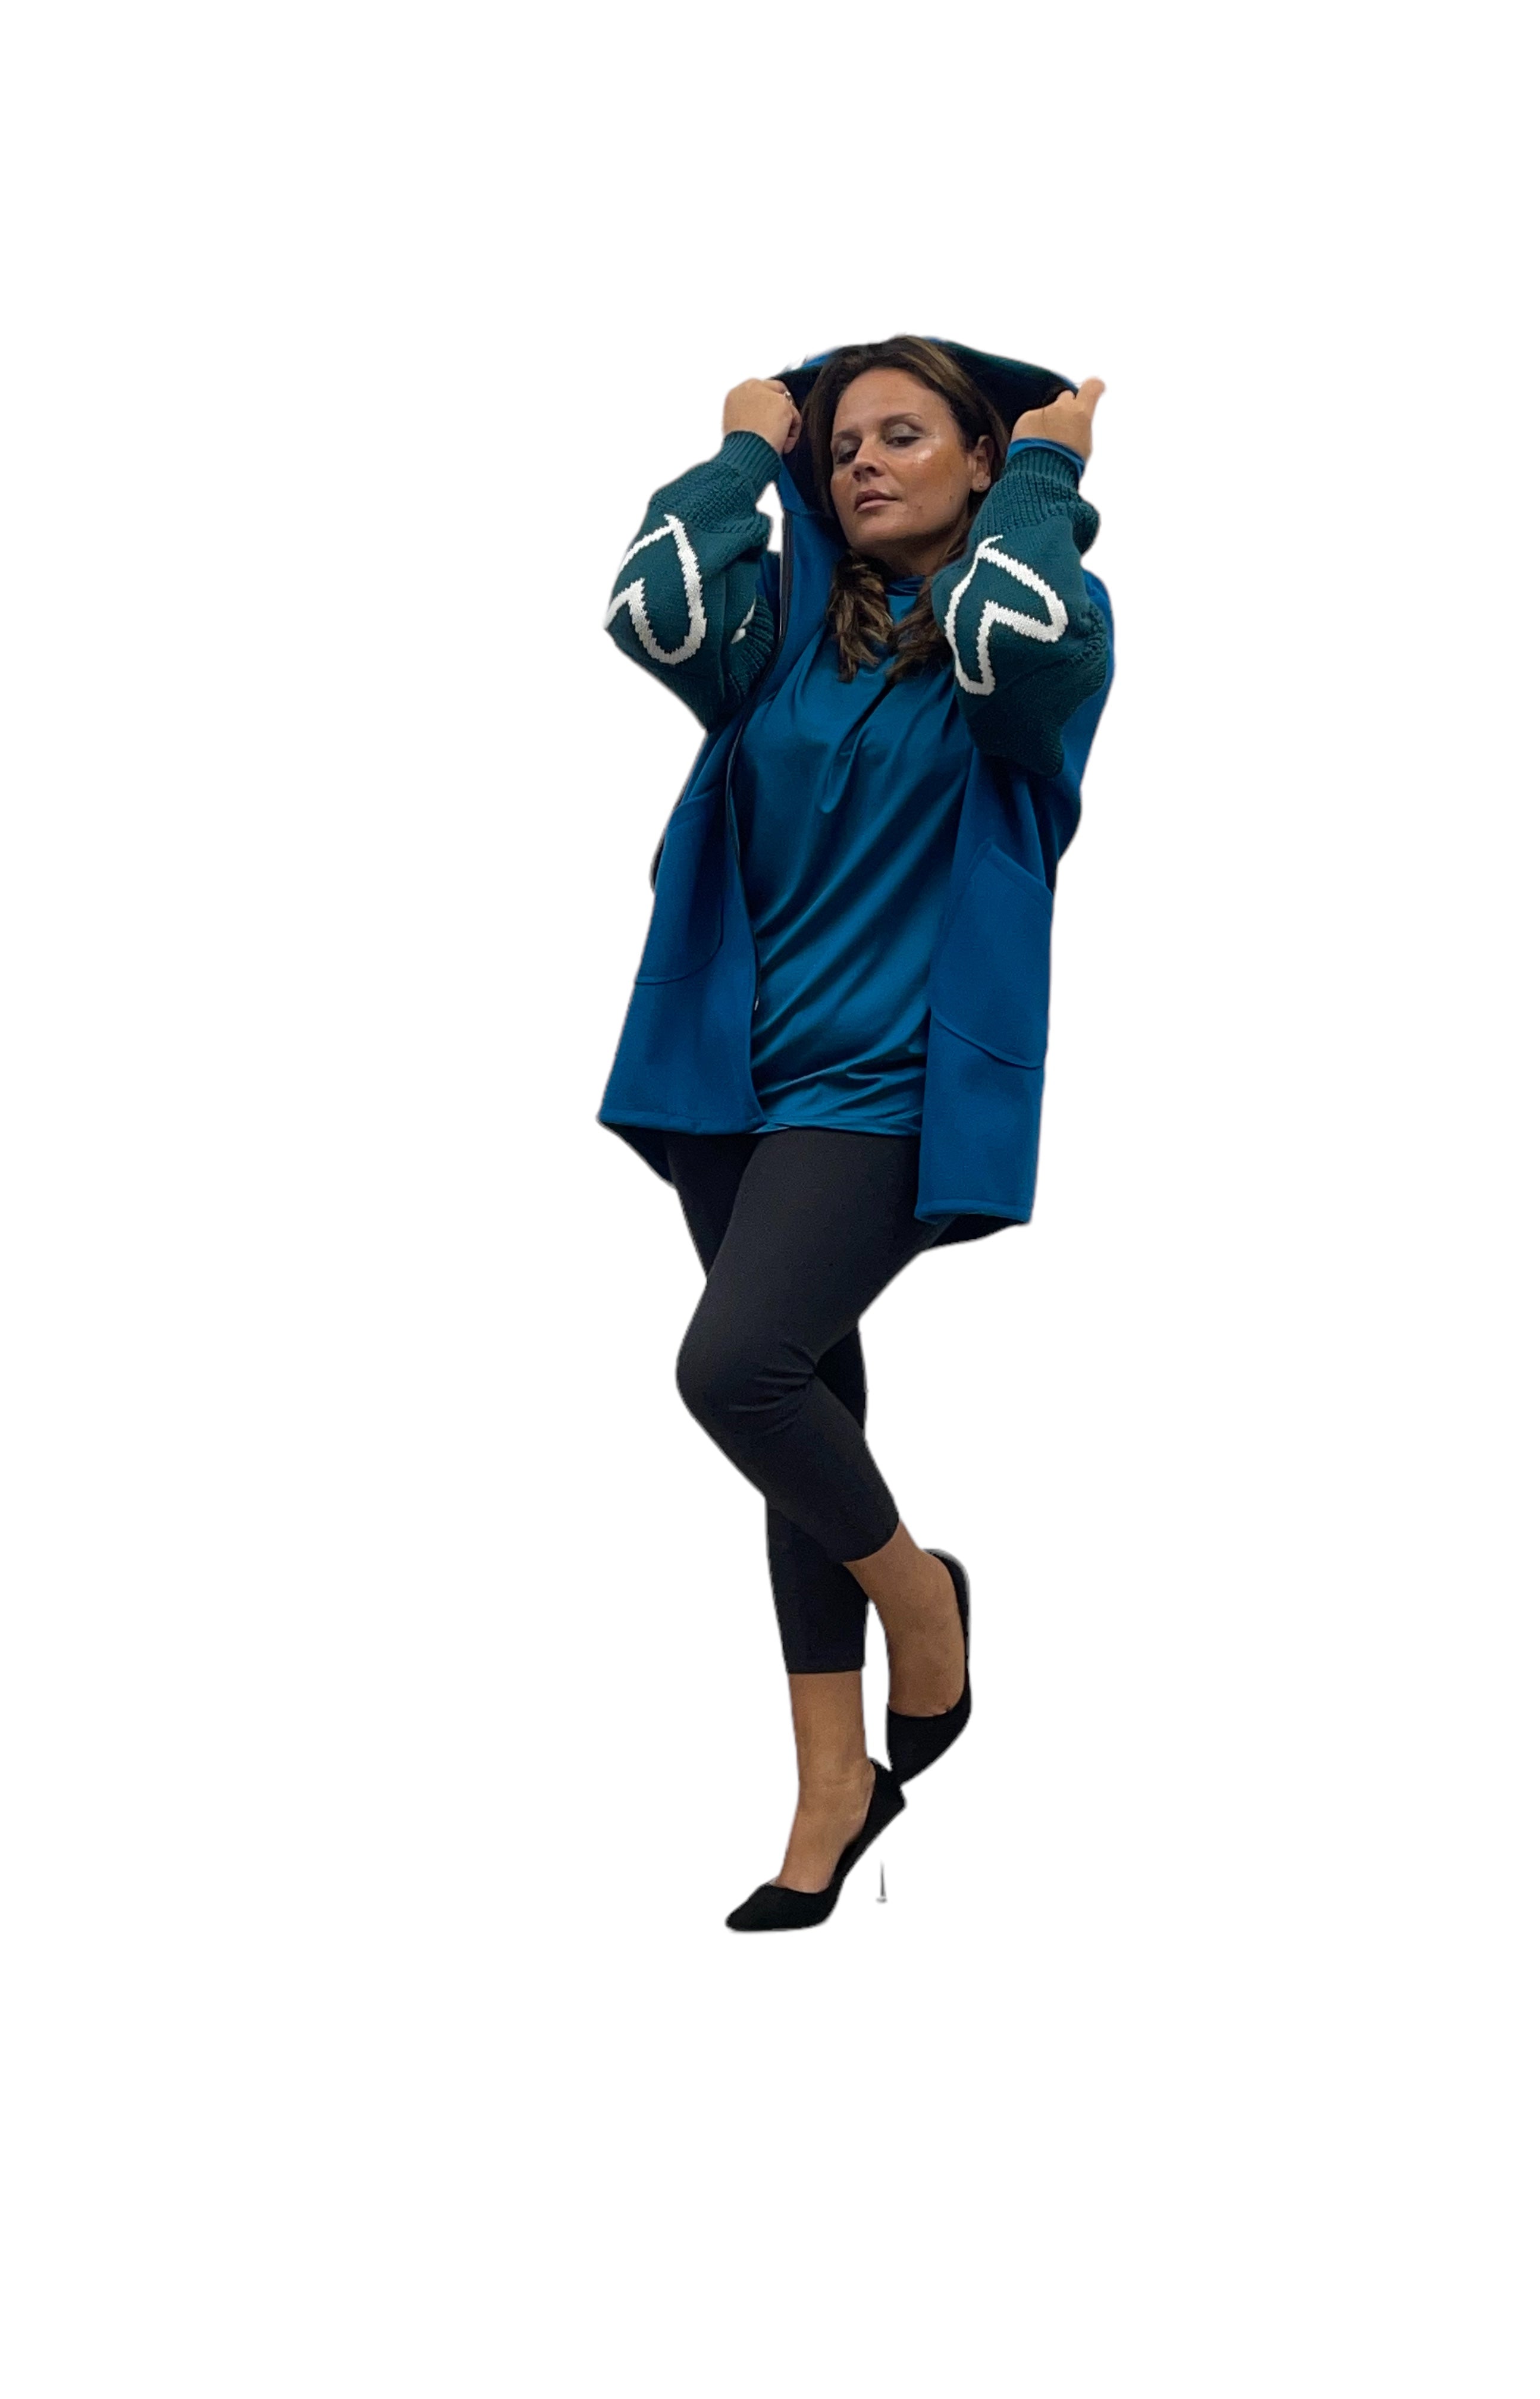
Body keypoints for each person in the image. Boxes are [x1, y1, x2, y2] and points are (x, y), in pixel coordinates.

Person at [598, 336, 1113, 1930]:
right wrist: (741, 459)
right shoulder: (777, 637)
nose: (861, 462)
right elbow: (650, 606)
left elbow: (1012, 626)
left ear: (980, 461)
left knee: (734, 1369)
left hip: (886, 1088)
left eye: (904, 436)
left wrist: (1050, 471)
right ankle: (832, 1787)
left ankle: (924, 1607)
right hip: (729, 1083)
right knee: (804, 1409)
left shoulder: (1042, 631)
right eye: (841, 446)